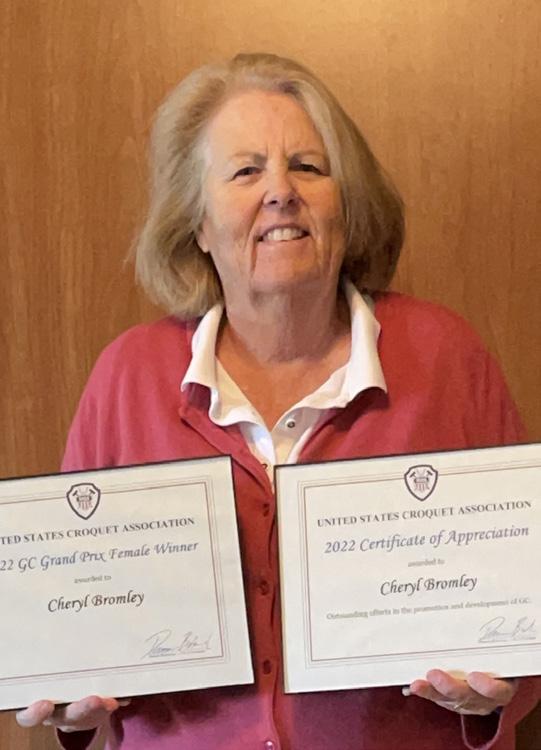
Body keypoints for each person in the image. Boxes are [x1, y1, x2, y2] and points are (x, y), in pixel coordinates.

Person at [16, 52, 539, 749]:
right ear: (197, 224)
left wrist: (498, 693)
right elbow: (76, 621)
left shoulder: (446, 355)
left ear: (346, 207)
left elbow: (521, 598)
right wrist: (71, 700)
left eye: (308, 167)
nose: (281, 192)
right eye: (245, 171)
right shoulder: (127, 376)